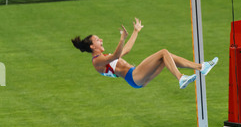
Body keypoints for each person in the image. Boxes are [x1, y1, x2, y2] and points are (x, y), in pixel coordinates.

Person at [72, 18, 218, 90]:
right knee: (163, 52)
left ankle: (201, 67)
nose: (101, 40)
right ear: (92, 46)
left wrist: (135, 31)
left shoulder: (102, 58)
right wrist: (122, 38)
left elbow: (125, 50)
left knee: (165, 58)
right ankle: (181, 78)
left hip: (136, 77)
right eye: (98, 40)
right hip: (134, 76)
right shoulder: (97, 61)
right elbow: (116, 56)